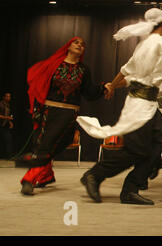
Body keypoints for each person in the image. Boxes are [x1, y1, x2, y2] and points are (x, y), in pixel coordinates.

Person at [77, 8, 162, 205]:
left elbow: (126, 70)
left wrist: (112, 86)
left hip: (147, 102)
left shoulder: (144, 45)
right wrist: (113, 85)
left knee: (157, 142)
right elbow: (134, 72)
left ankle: (132, 187)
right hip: (141, 102)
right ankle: (95, 175)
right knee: (136, 150)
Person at [17, 37, 108, 195]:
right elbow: (40, 85)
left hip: (68, 113)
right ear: (68, 46)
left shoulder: (83, 70)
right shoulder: (54, 65)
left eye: (82, 44)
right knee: (44, 145)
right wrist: (37, 110)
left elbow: (89, 92)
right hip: (48, 111)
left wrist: (103, 88)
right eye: (76, 42)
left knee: (53, 144)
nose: (80, 45)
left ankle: (37, 177)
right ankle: (37, 177)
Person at [0, 92, 14, 159]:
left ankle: (9, 156)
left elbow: (7, 115)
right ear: (4, 97)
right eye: (7, 96)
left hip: (5, 125)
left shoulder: (8, 105)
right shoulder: (1, 104)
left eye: (9, 96)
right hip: (1, 124)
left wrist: (10, 122)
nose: (8, 98)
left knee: (8, 140)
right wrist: (7, 118)